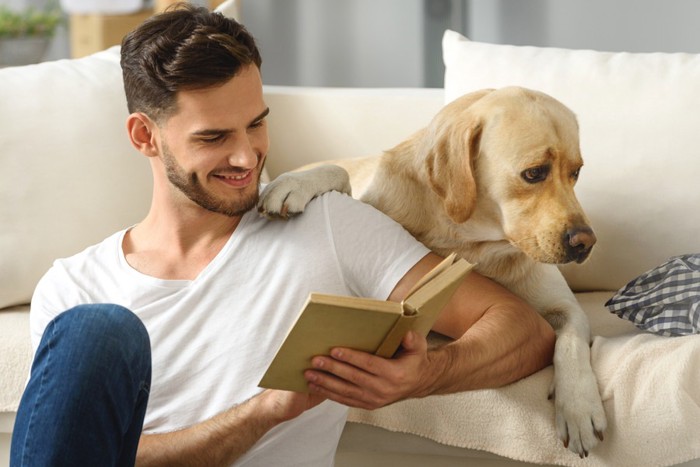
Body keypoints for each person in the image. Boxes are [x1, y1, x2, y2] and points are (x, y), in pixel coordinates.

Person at [10, 4, 555, 466]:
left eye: (256, 123)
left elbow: (523, 330)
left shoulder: (329, 225)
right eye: (214, 137)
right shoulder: (74, 284)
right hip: (92, 333)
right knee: (98, 330)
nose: (247, 156)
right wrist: (263, 412)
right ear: (144, 136)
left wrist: (425, 375)